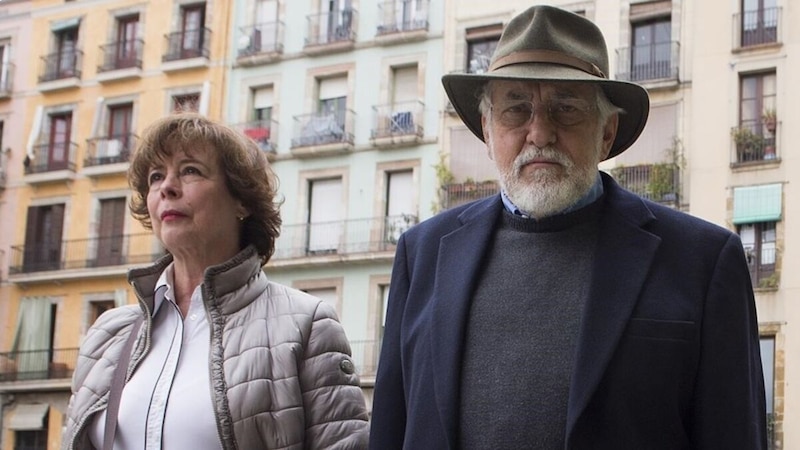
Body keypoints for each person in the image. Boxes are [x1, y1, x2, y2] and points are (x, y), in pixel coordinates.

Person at [369, 5, 766, 449]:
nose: (539, 132)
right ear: (486, 128)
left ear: (607, 132)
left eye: (567, 108)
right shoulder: (421, 255)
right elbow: (390, 430)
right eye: (515, 109)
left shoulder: (702, 263)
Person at [63, 114, 369, 449]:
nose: (166, 187)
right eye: (155, 177)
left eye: (190, 170)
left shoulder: (306, 325)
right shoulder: (107, 335)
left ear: (241, 199)